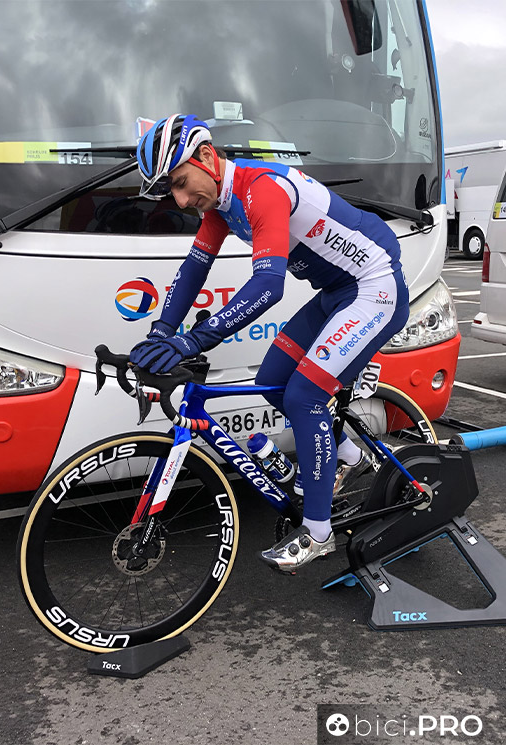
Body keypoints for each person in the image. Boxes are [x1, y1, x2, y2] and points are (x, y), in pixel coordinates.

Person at [130, 114, 409, 572]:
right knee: (273, 379)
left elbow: (267, 286)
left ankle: (318, 532)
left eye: (180, 183)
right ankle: (349, 455)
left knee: (304, 396)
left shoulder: (262, 189)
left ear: (206, 157)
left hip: (374, 286)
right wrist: (161, 332)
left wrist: (194, 341)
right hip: (338, 291)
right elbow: (194, 269)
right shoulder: (220, 205)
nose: (180, 200)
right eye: (171, 192)